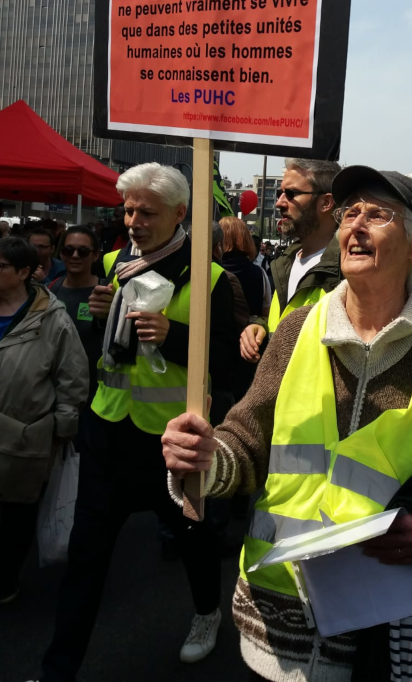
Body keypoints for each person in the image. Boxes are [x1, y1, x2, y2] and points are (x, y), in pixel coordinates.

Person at [163, 166, 412, 681]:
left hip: (383, 631)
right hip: (276, 619)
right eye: (350, 213)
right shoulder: (297, 330)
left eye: (377, 214)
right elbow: (247, 435)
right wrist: (208, 461)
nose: (356, 226)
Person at [39, 163, 239, 681]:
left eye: (146, 212)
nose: (133, 221)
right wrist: (100, 313)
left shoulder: (211, 276)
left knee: (194, 542)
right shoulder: (111, 262)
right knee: (85, 562)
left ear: (179, 214)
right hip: (108, 432)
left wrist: (171, 334)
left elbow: (229, 360)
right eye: (127, 210)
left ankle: (206, 613)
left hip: (172, 442)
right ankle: (59, 669)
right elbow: (100, 340)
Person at [0, 237, 88, 604]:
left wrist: (61, 429)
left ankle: (6, 579)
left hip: (24, 437)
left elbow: (72, 377)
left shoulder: (52, 318)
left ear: (23, 273)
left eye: (1, 266)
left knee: (15, 514)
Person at [240, 158, 342, 364]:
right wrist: (261, 327)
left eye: (291, 194)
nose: (279, 202)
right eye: (279, 194)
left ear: (326, 203)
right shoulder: (285, 263)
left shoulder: (346, 271)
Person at [48, 226, 103, 403]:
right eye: (68, 250)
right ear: (61, 253)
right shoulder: (50, 291)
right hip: (55, 389)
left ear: (95, 255)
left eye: (83, 251)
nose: (75, 256)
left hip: (96, 394)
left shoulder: (107, 293)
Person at [220, 218, 271, 322]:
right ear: (246, 238)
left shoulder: (209, 272)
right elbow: (266, 314)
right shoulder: (260, 273)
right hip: (249, 334)